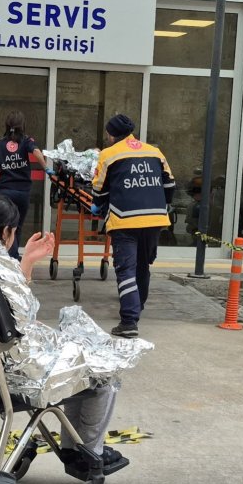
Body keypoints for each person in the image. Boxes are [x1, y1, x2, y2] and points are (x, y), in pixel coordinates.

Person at [0, 192, 129, 477]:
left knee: (79, 354)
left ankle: (76, 447)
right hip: (7, 380)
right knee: (103, 373)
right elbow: (20, 323)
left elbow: (1, 312)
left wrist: (28, 261)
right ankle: (86, 453)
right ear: (6, 232)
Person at [92, 114, 175, 338]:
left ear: (111, 134)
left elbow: (99, 190)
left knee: (126, 268)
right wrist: (157, 202)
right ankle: (137, 307)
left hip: (124, 219)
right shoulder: (154, 152)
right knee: (142, 266)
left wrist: (98, 206)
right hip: (155, 219)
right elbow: (170, 184)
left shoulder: (109, 155)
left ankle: (129, 321)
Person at [0, 110, 48, 259]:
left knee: (6, 227)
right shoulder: (26, 141)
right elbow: (36, 152)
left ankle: (10, 257)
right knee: (18, 227)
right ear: (22, 126)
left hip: (5, 192)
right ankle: (14, 257)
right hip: (22, 193)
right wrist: (46, 168)